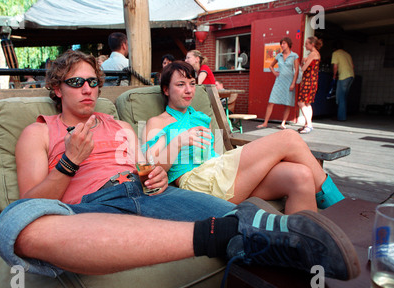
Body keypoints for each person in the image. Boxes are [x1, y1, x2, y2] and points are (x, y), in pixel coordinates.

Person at [0, 50, 360, 282]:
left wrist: (153, 172)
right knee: (16, 228)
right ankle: (225, 234)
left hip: (148, 194)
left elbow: (148, 167)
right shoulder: (39, 132)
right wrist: (70, 160)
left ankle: (296, 242)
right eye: (76, 82)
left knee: (246, 215)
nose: (88, 89)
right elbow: (31, 206)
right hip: (90, 205)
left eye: (92, 81)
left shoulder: (119, 126)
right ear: (58, 89)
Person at [143, 60, 345, 215]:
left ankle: (306, 249)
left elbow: (215, 155)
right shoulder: (158, 122)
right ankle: (343, 209)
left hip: (222, 171)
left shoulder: (200, 118)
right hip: (200, 183)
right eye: (180, 84)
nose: (188, 90)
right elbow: (150, 169)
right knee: (289, 138)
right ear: (166, 89)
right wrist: (178, 141)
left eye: (192, 84)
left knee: (300, 176)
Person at [257, 37, 299, 130]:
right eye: (281, 44)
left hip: (289, 82)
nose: (282, 45)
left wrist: (293, 83)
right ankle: (265, 123)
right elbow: (271, 66)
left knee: (287, 103)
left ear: (288, 44)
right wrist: (274, 72)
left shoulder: (294, 56)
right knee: (271, 101)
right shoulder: (279, 56)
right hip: (279, 81)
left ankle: (283, 123)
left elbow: (296, 71)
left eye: (284, 43)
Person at [297, 36, 322, 134]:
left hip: (308, 80)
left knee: (301, 102)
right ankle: (308, 124)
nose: (305, 45)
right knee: (307, 103)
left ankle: (309, 124)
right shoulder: (316, 54)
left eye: (307, 43)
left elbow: (303, 69)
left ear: (312, 44)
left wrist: (302, 63)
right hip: (313, 80)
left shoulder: (312, 54)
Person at [331, 43, 354, 121]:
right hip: (351, 76)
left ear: (334, 48)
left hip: (343, 76)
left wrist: (334, 75)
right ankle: (342, 115)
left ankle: (341, 117)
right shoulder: (347, 54)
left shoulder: (335, 53)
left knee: (341, 97)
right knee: (344, 97)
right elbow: (353, 66)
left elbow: (335, 66)